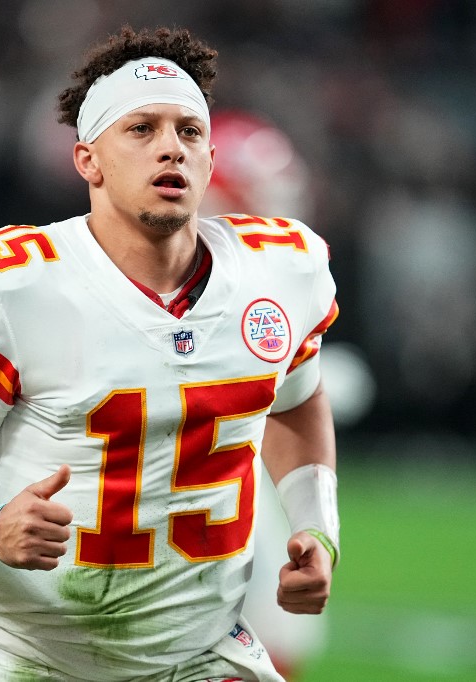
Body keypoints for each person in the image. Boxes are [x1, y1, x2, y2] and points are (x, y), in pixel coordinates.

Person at [0, 25, 341, 682]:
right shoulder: (19, 287)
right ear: (88, 159)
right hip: (45, 665)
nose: (170, 147)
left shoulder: (280, 271)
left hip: (210, 659)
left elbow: (297, 401)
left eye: (188, 131)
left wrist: (318, 527)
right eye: (141, 129)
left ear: (208, 160)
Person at [199, 109, 329, 679]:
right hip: (190, 476)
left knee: (280, 634)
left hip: (231, 468)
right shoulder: (199, 271)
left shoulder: (269, 272)